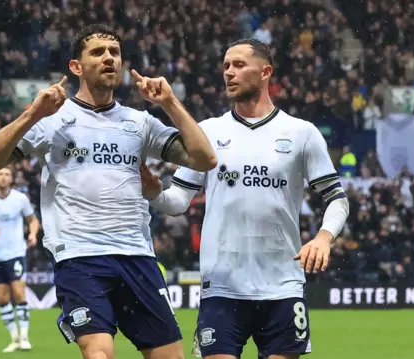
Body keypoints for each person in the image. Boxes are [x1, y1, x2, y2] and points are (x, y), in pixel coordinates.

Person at [0, 24, 216, 359]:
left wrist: (171, 103)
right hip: (80, 256)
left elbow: (205, 159)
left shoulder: (139, 122)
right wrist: (32, 114)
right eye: (98, 52)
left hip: (137, 255)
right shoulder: (53, 120)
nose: (109, 58)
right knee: (99, 353)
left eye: (114, 52)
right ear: (76, 66)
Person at [140, 38, 350, 359]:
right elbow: (178, 202)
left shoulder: (301, 133)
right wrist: (152, 189)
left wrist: (323, 238)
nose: (229, 72)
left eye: (239, 65)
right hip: (222, 287)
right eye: (226, 66)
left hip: (282, 285)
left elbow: (337, 198)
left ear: (265, 72)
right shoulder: (207, 132)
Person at [0, 166, 40, 352]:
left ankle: (24, 336)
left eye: (7, 174)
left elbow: (33, 220)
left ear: (11, 179)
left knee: (19, 293)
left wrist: (33, 235)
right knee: (2, 298)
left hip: (16, 252)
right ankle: (13, 338)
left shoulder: (20, 199)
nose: (3, 178)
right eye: (0, 174)